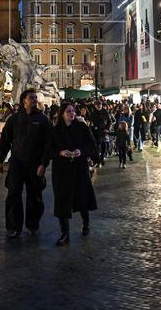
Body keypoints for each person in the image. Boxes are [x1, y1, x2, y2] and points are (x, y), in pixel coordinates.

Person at [0, 89, 51, 238]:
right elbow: (5, 140)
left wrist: (43, 164)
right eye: (31, 97)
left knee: (35, 196)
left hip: (35, 164)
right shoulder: (14, 119)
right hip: (17, 163)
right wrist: (0, 160)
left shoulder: (43, 120)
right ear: (23, 100)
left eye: (35, 97)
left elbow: (48, 144)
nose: (34, 100)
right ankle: (13, 227)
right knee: (13, 195)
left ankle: (33, 225)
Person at [49, 102, 98, 245]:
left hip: (79, 167)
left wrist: (81, 151)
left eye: (73, 111)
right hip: (61, 170)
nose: (72, 113)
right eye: (68, 111)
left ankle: (86, 224)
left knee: (82, 198)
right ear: (62, 114)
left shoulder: (82, 127)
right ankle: (64, 233)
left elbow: (92, 144)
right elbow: (49, 149)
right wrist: (60, 152)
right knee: (62, 201)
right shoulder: (55, 130)